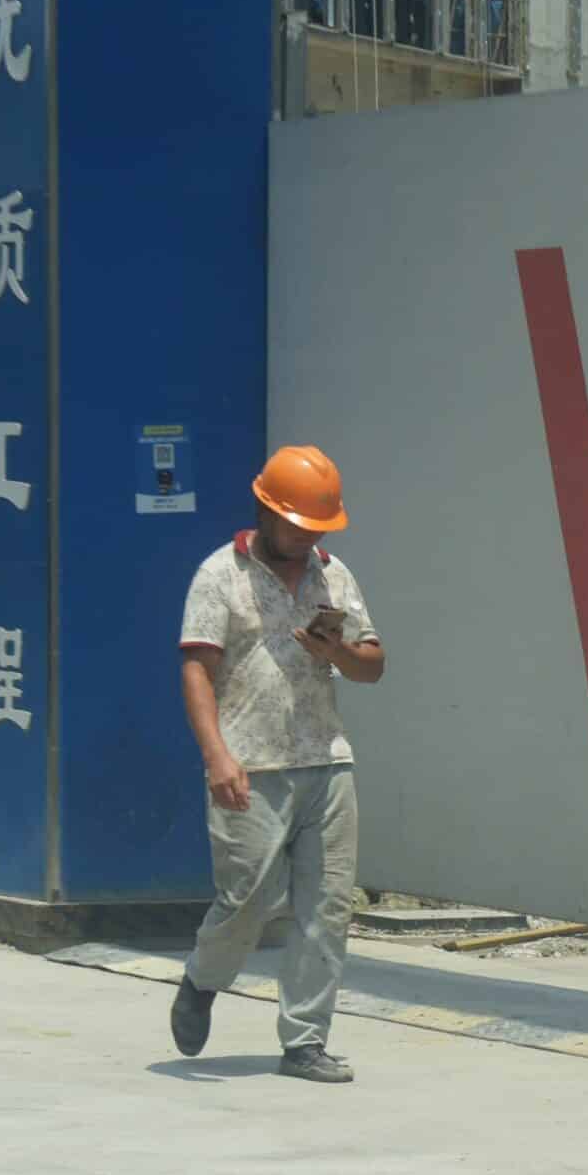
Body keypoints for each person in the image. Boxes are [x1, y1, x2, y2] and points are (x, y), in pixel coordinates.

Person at [169, 445, 385, 1084]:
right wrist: (217, 756)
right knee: (248, 902)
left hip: (327, 759)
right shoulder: (220, 575)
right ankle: (202, 980)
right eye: (298, 524)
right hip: (250, 766)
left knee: (327, 906)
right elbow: (196, 670)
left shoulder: (333, 573)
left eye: (318, 526)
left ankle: (305, 1041)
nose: (308, 536)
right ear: (266, 509)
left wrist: (338, 650)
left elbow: (372, 664)